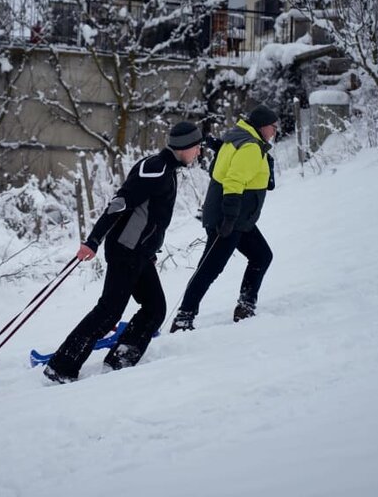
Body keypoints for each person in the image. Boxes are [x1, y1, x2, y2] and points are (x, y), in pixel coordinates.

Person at [44, 121, 203, 383]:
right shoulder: (155, 170)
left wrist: (151, 248)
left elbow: (150, 218)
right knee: (109, 311)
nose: (198, 152)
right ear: (184, 147)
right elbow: (119, 204)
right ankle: (61, 367)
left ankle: (120, 361)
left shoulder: (165, 169)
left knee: (154, 309)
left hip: (139, 252)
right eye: (196, 147)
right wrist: (93, 240)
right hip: (126, 250)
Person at [170, 104, 278, 332]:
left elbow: (227, 164)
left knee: (261, 256)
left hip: (239, 218)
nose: (275, 130)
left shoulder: (238, 138)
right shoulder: (249, 146)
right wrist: (229, 218)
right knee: (210, 267)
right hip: (230, 216)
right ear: (261, 127)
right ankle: (183, 318)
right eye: (272, 126)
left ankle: (246, 306)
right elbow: (234, 181)